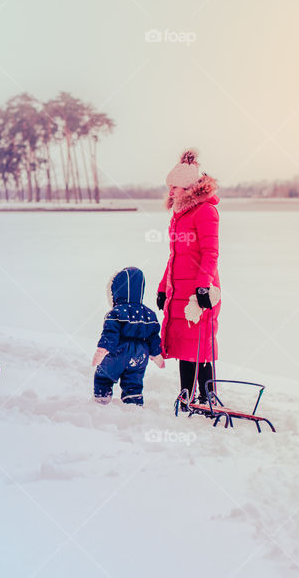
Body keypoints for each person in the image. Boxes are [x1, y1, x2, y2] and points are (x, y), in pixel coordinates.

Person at [155, 149, 221, 408]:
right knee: (184, 343)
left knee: (201, 341)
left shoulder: (205, 212)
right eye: (169, 186)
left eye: (176, 187)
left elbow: (210, 252)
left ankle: (207, 395)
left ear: (190, 188)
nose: (171, 191)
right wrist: (163, 288)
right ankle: (186, 394)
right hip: (179, 287)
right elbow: (174, 256)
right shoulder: (179, 215)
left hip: (199, 289)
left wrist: (203, 287)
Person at [91, 266, 165, 406]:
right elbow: (153, 337)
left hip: (119, 351)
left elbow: (110, 334)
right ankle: (133, 401)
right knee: (134, 380)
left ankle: (102, 398)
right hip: (140, 354)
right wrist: (156, 356)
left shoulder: (116, 312)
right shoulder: (149, 314)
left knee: (104, 375)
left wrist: (102, 350)